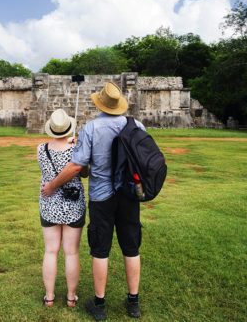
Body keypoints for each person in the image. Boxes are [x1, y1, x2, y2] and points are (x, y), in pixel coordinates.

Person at [42, 82, 145, 320]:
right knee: (131, 247)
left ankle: (99, 304)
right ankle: (133, 302)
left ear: (100, 103)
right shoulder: (137, 125)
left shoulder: (92, 128)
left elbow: (78, 167)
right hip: (130, 195)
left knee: (101, 250)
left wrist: (53, 185)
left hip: (102, 196)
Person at [37, 109, 86, 308]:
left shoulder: (41, 149)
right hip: (73, 204)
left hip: (49, 203)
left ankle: (49, 297)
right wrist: (77, 149)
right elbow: (84, 174)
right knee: (71, 252)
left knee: (50, 251)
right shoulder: (76, 149)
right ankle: (71, 297)